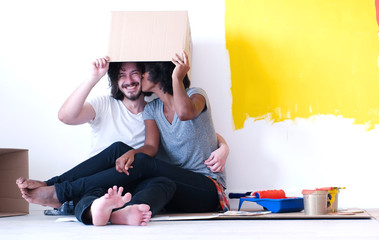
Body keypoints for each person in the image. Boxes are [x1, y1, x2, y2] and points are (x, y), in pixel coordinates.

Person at [17, 51, 228, 226]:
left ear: (159, 73)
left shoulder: (195, 95)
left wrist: (175, 77)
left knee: (145, 166)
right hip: (167, 182)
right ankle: (122, 212)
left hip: (207, 188)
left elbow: (185, 114)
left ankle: (61, 193)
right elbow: (151, 147)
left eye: (141, 72)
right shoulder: (152, 109)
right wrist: (132, 153)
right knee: (125, 153)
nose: (135, 78)